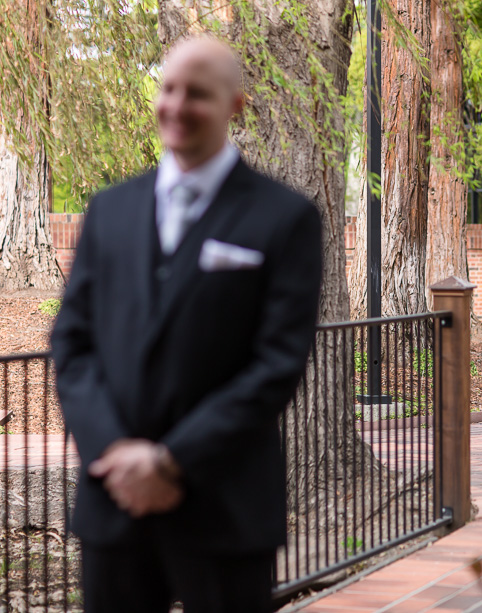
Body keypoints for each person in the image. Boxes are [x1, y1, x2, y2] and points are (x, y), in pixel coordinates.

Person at [50, 36, 322, 613]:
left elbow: (277, 364)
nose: (177, 105)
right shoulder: (110, 210)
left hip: (223, 506)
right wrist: (117, 454)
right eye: (169, 88)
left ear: (235, 106)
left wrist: (170, 461)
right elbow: (72, 344)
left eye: (197, 93)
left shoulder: (285, 218)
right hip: (113, 501)